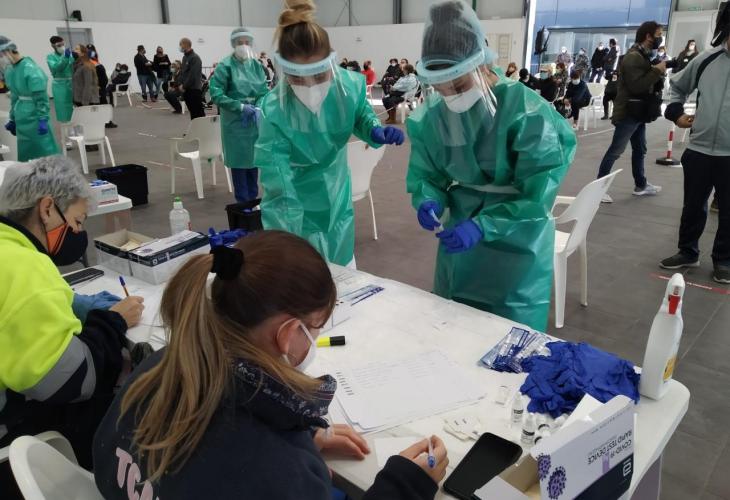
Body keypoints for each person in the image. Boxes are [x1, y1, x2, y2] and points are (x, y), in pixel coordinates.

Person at [93, 230, 448, 499]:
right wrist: (405, 485)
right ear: (288, 333)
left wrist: (298, 437)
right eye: (316, 328)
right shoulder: (276, 471)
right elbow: (254, 466)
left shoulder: (160, 368)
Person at [406, 0, 576, 331]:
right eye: (441, 88)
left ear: (483, 65)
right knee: (453, 325)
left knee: (509, 333)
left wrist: (486, 225)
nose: (451, 96)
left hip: (518, 240)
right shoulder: (434, 117)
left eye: (459, 85)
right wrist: (428, 198)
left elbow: (537, 194)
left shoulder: (527, 112)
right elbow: (428, 174)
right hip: (460, 234)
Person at [0, 157, 144, 486]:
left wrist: (78, 306)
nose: (78, 232)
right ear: (47, 208)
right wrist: (113, 322)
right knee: (127, 400)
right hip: (11, 433)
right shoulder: (25, 266)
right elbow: (72, 380)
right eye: (77, 221)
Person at [255, 0, 405, 268]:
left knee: (342, 263)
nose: (310, 86)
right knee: (303, 268)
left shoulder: (347, 87)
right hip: (296, 196)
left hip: (337, 190)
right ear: (285, 71)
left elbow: (359, 113)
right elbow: (277, 181)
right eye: (298, 78)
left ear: (331, 62)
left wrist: (374, 130)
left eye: (318, 75)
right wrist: (286, 238)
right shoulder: (274, 110)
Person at [660, 5, 730, 284]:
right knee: (693, 206)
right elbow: (677, 87)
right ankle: (688, 251)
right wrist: (677, 114)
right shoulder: (706, 59)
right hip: (699, 149)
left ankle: (724, 260)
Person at [596, 22, 666, 203]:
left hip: (639, 111)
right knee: (616, 150)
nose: (661, 38)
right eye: (659, 34)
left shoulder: (644, 56)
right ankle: (598, 190)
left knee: (640, 149)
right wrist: (656, 71)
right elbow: (637, 86)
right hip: (629, 111)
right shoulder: (634, 57)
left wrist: (657, 70)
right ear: (648, 36)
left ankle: (641, 185)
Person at [210, 28, 269, 204]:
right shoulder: (225, 66)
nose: (244, 46)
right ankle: (243, 204)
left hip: (253, 122)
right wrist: (240, 106)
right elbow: (216, 93)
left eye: (247, 42)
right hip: (235, 123)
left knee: (253, 161)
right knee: (239, 164)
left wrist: (258, 106)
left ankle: (253, 201)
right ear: (233, 44)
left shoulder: (256, 66)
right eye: (239, 42)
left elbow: (263, 91)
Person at [1, 36, 60, 161]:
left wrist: (43, 118)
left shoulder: (31, 69)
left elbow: (41, 98)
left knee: (44, 153)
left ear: (9, 51)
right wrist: (12, 118)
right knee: (25, 154)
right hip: (21, 116)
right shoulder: (10, 70)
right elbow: (14, 97)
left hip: (36, 116)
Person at [86, 44, 117, 129]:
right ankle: (103, 123)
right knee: (100, 106)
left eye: (92, 50)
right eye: (89, 50)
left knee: (103, 105)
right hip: (97, 88)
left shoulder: (95, 61)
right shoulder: (88, 63)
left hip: (101, 88)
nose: (91, 52)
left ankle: (106, 122)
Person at [46, 36, 73, 124]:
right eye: (59, 45)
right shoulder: (50, 57)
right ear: (53, 46)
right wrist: (65, 57)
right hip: (60, 85)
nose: (62, 47)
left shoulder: (69, 54)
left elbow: (74, 66)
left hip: (72, 83)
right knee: (63, 107)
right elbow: (57, 68)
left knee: (75, 107)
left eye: (63, 44)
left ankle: (77, 127)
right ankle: (66, 128)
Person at [178, 37, 205, 119]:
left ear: (185, 45)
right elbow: (182, 72)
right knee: (193, 113)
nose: (179, 47)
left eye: (180, 44)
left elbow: (192, 75)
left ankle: (202, 127)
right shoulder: (185, 57)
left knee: (198, 114)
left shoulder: (195, 58)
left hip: (194, 90)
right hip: (186, 90)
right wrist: (180, 84)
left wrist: (184, 86)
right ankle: (195, 127)